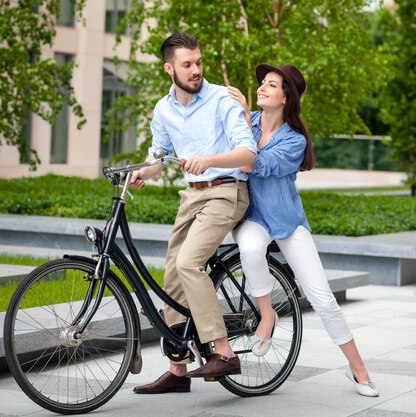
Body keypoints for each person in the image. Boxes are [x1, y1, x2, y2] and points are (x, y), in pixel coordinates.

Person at [227, 64, 379, 397]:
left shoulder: (293, 140)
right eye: (263, 83)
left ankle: (359, 369)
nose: (263, 88)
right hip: (252, 217)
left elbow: (252, 164)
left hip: (287, 220)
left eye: (272, 85)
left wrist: (240, 116)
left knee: (323, 300)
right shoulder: (246, 121)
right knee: (250, 249)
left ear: (286, 98)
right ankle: (267, 316)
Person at [129, 33, 257, 394]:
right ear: (169, 68)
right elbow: (159, 156)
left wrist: (209, 160)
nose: (196, 70)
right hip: (191, 197)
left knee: (188, 263)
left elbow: (247, 154)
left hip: (226, 192)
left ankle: (224, 351)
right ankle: (178, 370)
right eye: (187, 64)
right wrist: (142, 172)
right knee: (172, 276)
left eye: (198, 62)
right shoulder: (163, 108)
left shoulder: (222, 99)